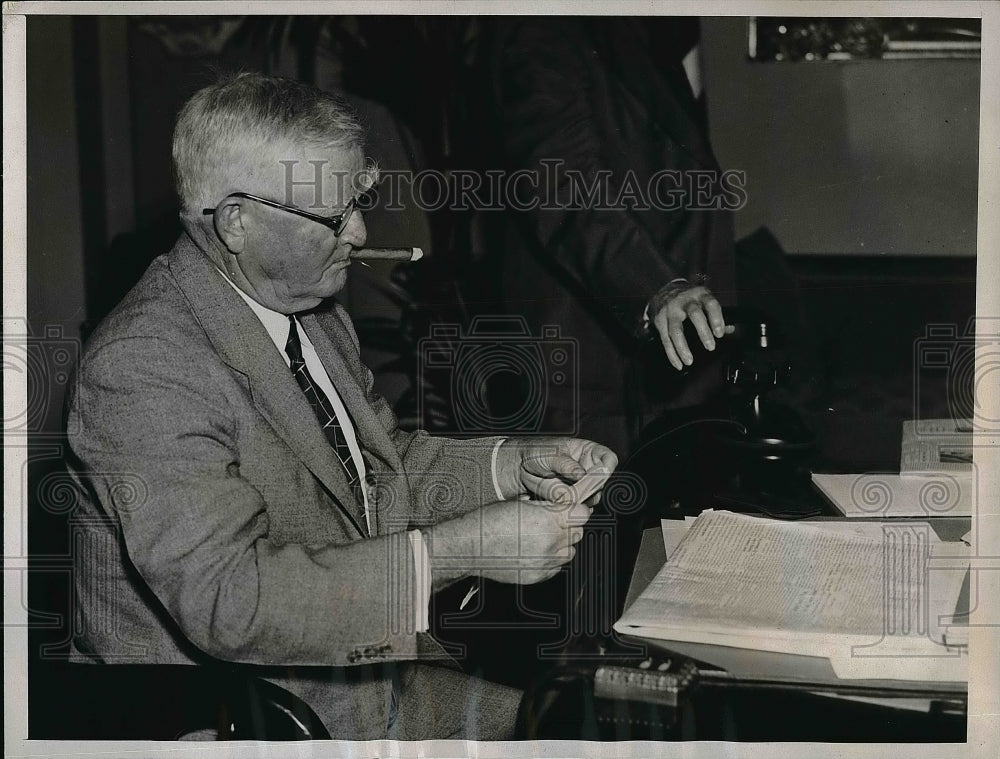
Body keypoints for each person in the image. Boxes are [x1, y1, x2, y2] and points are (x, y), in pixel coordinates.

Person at [65, 72, 617, 741]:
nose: (358, 232)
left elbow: (379, 465)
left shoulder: (309, 311)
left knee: (590, 726)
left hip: (360, 687)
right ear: (237, 221)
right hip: (241, 722)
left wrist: (512, 464)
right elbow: (233, 599)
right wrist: (453, 554)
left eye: (360, 201)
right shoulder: (143, 364)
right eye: (333, 216)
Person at [482, 18, 738, 457]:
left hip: (673, 366)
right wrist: (656, 286)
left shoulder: (650, 31)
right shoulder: (544, 29)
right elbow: (562, 187)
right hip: (593, 370)